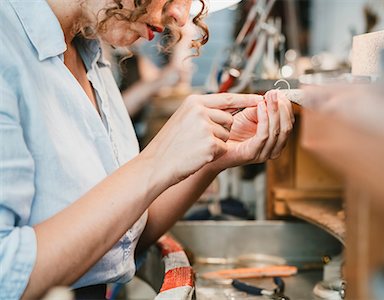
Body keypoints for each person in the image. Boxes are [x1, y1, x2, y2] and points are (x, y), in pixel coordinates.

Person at [0, 0, 294, 299]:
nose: (180, 17)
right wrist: (156, 159)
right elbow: (6, 275)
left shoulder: (88, 51)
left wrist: (216, 155)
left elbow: (120, 235)